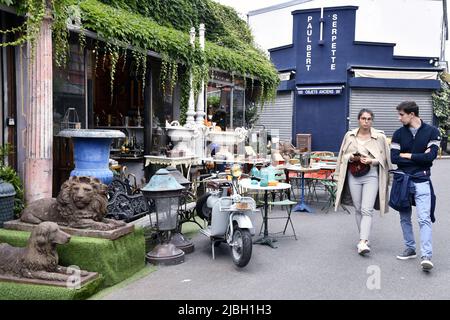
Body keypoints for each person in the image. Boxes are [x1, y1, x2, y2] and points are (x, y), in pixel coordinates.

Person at [390, 101, 440, 271]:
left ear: (412, 114)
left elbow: (430, 157)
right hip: (403, 180)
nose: (399, 118)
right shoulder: (398, 134)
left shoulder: (432, 132)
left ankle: (426, 256)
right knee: (405, 217)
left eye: (401, 114)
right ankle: (410, 248)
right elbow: (394, 158)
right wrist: (419, 156)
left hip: (422, 180)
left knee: (424, 218)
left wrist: (408, 155)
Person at [335, 109, 392, 255]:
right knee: (359, 208)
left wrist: (372, 160)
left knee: (367, 209)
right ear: (358, 120)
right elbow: (342, 155)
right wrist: (352, 157)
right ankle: (364, 239)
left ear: (372, 121)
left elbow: (386, 159)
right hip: (354, 174)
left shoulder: (379, 137)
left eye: (369, 119)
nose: (366, 121)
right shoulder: (350, 135)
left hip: (371, 174)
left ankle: (362, 242)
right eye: (363, 118)